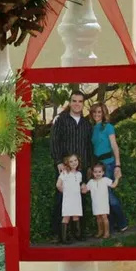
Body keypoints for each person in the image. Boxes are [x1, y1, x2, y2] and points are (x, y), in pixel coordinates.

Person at [48, 91, 92, 239]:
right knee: (62, 199)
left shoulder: (87, 124)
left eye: (80, 101)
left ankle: (78, 233)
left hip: (82, 168)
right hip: (65, 168)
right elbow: (54, 141)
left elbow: (89, 146)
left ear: (83, 103)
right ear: (70, 101)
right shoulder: (61, 119)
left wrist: (89, 167)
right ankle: (59, 234)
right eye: (74, 101)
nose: (77, 104)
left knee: (81, 199)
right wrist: (58, 161)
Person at [89, 103, 127, 233]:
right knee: (101, 197)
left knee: (109, 196)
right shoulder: (93, 128)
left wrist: (118, 165)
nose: (97, 115)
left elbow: (114, 146)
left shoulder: (108, 127)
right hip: (98, 165)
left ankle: (122, 223)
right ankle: (109, 226)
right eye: (94, 112)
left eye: (99, 112)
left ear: (104, 113)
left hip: (109, 164)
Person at [83, 162, 117, 238]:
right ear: (92, 173)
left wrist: (117, 178)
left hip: (103, 203)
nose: (97, 173)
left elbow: (113, 185)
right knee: (98, 218)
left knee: (104, 217)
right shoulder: (91, 182)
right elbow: (85, 191)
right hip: (95, 203)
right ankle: (100, 231)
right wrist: (82, 185)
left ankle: (107, 233)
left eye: (99, 172)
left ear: (103, 172)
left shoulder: (105, 180)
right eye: (95, 172)